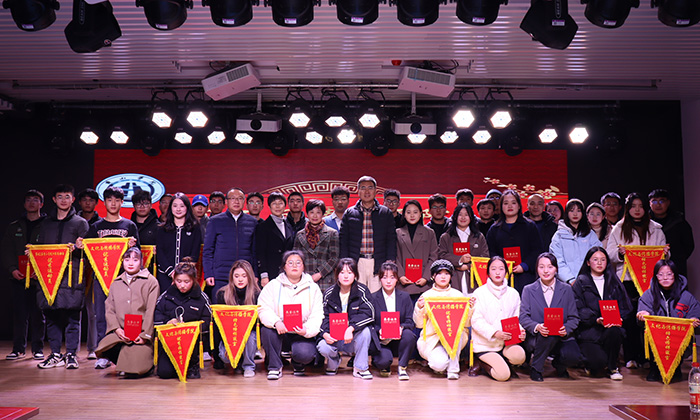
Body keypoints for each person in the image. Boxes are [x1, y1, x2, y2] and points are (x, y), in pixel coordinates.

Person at [76, 186, 139, 370]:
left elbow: (138, 254)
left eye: (117, 200)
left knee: (126, 315)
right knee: (101, 315)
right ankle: (103, 353)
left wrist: (133, 247)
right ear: (104, 203)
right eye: (109, 200)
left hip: (124, 278)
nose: (113, 203)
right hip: (100, 278)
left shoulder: (129, 226)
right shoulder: (96, 227)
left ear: (122, 202)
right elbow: (87, 252)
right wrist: (80, 245)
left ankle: (127, 352)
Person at [607, 192, 668, 370]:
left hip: (651, 281)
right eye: (633, 206)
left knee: (649, 318)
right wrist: (620, 254)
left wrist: (665, 253)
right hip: (627, 279)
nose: (637, 210)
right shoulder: (618, 228)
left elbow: (664, 255)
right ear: (628, 208)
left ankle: (648, 357)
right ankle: (631, 356)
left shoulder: (656, 228)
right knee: (629, 319)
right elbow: (609, 253)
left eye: (640, 206)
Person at [35, 185, 89, 370]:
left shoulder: (80, 223)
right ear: (54, 199)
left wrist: (80, 247)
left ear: (73, 199)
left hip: (71, 276)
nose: (64, 200)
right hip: (49, 276)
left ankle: (71, 354)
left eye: (67, 196)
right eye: (60, 197)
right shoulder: (45, 223)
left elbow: (88, 253)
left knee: (73, 317)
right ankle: (55, 354)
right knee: (51, 316)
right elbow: (40, 248)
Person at [95, 247, 159, 378]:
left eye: (135, 260)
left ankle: (142, 364)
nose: (130, 263)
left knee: (136, 371)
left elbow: (151, 310)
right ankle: (123, 362)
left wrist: (145, 335)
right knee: (103, 347)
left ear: (141, 262)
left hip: (141, 334)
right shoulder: (116, 283)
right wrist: (117, 329)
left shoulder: (151, 282)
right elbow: (110, 309)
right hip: (122, 333)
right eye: (127, 259)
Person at [258, 251, 323, 379]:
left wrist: (306, 330)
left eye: (298, 263)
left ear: (303, 267)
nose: (294, 266)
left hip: (301, 333)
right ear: (284, 266)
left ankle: (298, 363)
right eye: (290, 263)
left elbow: (317, 315)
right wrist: (276, 322)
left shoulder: (313, 288)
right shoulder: (273, 285)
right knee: (266, 330)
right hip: (280, 331)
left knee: (304, 354)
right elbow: (263, 308)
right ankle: (274, 366)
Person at [519, 252, 582, 382]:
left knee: (573, 356)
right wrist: (537, 326)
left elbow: (574, 318)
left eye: (550, 267)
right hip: (538, 337)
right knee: (546, 334)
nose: (546, 271)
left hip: (561, 336)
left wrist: (566, 328)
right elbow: (524, 317)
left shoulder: (567, 289)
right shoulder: (528, 289)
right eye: (541, 267)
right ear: (537, 269)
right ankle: (536, 368)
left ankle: (559, 364)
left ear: (556, 269)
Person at [572, 247, 631, 380]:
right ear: (588, 263)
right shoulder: (581, 282)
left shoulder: (614, 281)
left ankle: (612, 367)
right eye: (595, 259)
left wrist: (619, 317)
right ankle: (590, 363)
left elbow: (625, 306)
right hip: (589, 331)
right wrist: (596, 319)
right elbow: (577, 309)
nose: (599, 263)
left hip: (611, 329)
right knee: (597, 365)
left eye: (603, 260)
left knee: (615, 331)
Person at [637, 259, 700, 382]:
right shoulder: (648, 295)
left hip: (677, 337)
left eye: (669, 274)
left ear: (675, 275)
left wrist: (694, 319)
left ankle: (676, 367)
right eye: (660, 274)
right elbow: (643, 309)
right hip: (657, 337)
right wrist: (643, 314)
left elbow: (695, 311)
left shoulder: (686, 296)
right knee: (645, 331)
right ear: (656, 277)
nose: (665, 278)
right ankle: (654, 368)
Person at [2, 189, 46, 361]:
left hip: (39, 279)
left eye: (35, 200)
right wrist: (12, 269)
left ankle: (38, 349)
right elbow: (7, 250)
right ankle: (18, 349)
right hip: (18, 277)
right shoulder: (14, 226)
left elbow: (51, 250)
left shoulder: (47, 225)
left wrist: (40, 271)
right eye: (28, 200)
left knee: (38, 315)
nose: (31, 203)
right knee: (19, 315)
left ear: (41, 204)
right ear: (24, 204)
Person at [317, 258, 375, 379]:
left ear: (355, 275)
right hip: (334, 338)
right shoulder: (329, 293)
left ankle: (360, 368)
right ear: (337, 274)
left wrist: (351, 328)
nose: (346, 276)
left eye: (350, 272)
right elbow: (323, 317)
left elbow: (369, 314)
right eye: (342, 272)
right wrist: (325, 334)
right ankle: (334, 362)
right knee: (322, 346)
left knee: (366, 332)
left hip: (353, 337)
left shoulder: (362, 291)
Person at [154, 258, 212, 380]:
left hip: (191, 343)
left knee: (189, 374)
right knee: (164, 373)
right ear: (174, 280)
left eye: (186, 281)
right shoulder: (166, 296)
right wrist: (167, 323)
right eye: (179, 281)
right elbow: (156, 315)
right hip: (170, 342)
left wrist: (190, 327)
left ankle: (193, 364)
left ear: (194, 280)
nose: (182, 285)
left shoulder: (202, 298)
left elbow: (209, 321)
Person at [471, 256, 526, 381]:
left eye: (501, 269)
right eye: (493, 269)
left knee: (519, 356)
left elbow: (516, 318)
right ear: (488, 272)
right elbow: (476, 320)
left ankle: (503, 361)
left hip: (507, 342)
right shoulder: (479, 293)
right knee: (503, 376)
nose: (497, 272)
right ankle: (482, 363)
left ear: (506, 271)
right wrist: (495, 333)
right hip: (486, 345)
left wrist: (520, 331)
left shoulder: (513, 293)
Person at [413, 260, 470, 380]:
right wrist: (419, 308)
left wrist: (470, 308)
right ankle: (445, 362)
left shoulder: (458, 295)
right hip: (433, 339)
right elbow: (419, 324)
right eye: (439, 273)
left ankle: (453, 369)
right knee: (439, 365)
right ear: (433, 276)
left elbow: (466, 323)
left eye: (447, 274)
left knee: (457, 329)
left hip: (454, 336)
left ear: (451, 276)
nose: (443, 277)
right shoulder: (426, 296)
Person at [339, 176, 397, 293]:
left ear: (375, 191)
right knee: (357, 295)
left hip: (378, 261)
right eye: (363, 188)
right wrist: (345, 263)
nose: (367, 191)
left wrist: (390, 261)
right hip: (357, 261)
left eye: (370, 188)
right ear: (358, 191)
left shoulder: (385, 213)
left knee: (376, 296)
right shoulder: (349, 213)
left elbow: (391, 239)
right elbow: (343, 240)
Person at [203, 187, 257, 304]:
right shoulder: (215, 221)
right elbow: (208, 250)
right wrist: (208, 273)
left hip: (245, 277)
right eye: (233, 198)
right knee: (221, 310)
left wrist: (255, 274)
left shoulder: (252, 222)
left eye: (240, 198)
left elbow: (254, 252)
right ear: (226, 201)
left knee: (244, 311)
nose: (236, 201)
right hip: (221, 276)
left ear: (244, 202)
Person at [485, 190, 544, 294]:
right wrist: (501, 265)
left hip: (526, 276)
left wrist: (524, 266)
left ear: (519, 206)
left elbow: (537, 250)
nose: (509, 206)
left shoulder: (530, 226)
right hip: (502, 277)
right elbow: (490, 251)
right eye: (506, 203)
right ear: (501, 206)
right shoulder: (494, 229)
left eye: (513, 202)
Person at [369, 261, 417, 380]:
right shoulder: (373, 298)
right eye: (385, 277)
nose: (388, 281)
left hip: (399, 340)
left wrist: (401, 328)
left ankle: (402, 367)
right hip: (382, 341)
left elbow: (410, 322)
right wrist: (379, 331)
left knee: (409, 335)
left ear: (397, 279)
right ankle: (381, 363)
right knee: (383, 362)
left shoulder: (405, 297)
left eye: (392, 277)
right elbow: (370, 323)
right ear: (380, 279)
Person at [214, 260, 260, 377]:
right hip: (229, 334)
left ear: (249, 277)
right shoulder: (222, 294)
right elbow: (219, 325)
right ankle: (237, 362)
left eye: (244, 276)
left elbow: (258, 325)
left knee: (250, 337)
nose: (240, 279)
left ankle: (248, 366)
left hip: (248, 333)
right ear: (231, 277)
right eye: (236, 276)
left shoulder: (256, 294)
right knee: (225, 357)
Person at [437, 203, 489, 295]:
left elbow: (485, 257)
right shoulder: (446, 237)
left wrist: (468, 266)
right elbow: (441, 256)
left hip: (474, 280)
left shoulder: (479, 236)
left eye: (466, 215)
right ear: (455, 217)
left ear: (471, 217)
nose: (463, 217)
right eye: (460, 214)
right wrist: (460, 260)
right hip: (453, 280)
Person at [155, 192, 202, 292]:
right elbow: (160, 253)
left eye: (182, 206)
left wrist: (182, 274)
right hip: (165, 275)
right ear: (171, 208)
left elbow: (195, 253)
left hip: (186, 277)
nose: (178, 209)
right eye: (175, 206)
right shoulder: (162, 229)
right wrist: (171, 272)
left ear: (187, 208)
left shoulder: (195, 228)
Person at [549, 199, 603, 284]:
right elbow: (557, 261)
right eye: (571, 211)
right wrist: (570, 279)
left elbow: (598, 255)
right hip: (565, 283)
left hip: (588, 282)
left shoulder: (590, 234)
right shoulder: (559, 236)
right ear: (567, 213)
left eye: (578, 211)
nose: (575, 214)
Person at [293, 199, 339, 293]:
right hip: (305, 278)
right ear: (307, 214)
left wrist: (320, 273)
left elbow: (334, 258)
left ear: (323, 214)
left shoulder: (332, 233)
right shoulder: (300, 235)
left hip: (326, 279)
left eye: (318, 212)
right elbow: (296, 258)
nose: (315, 216)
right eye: (312, 212)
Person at [396, 200, 438, 301]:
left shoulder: (429, 232)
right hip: (403, 283)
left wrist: (426, 277)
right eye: (408, 212)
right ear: (404, 215)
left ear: (420, 214)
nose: (412, 215)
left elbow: (434, 256)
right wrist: (400, 276)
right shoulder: (397, 233)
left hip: (423, 283)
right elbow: (394, 256)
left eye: (415, 212)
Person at [648, 189, 694, 276]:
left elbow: (689, 245)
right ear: (649, 203)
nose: (658, 205)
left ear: (668, 202)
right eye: (654, 201)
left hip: (676, 266)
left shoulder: (679, 221)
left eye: (662, 201)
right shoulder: (645, 222)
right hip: (650, 267)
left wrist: (678, 259)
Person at [255, 192, 294, 288]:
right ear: (269, 206)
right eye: (274, 203)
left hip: (288, 272)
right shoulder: (263, 227)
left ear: (285, 206)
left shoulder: (289, 225)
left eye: (280, 203)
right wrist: (264, 275)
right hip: (271, 273)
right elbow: (260, 252)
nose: (277, 206)